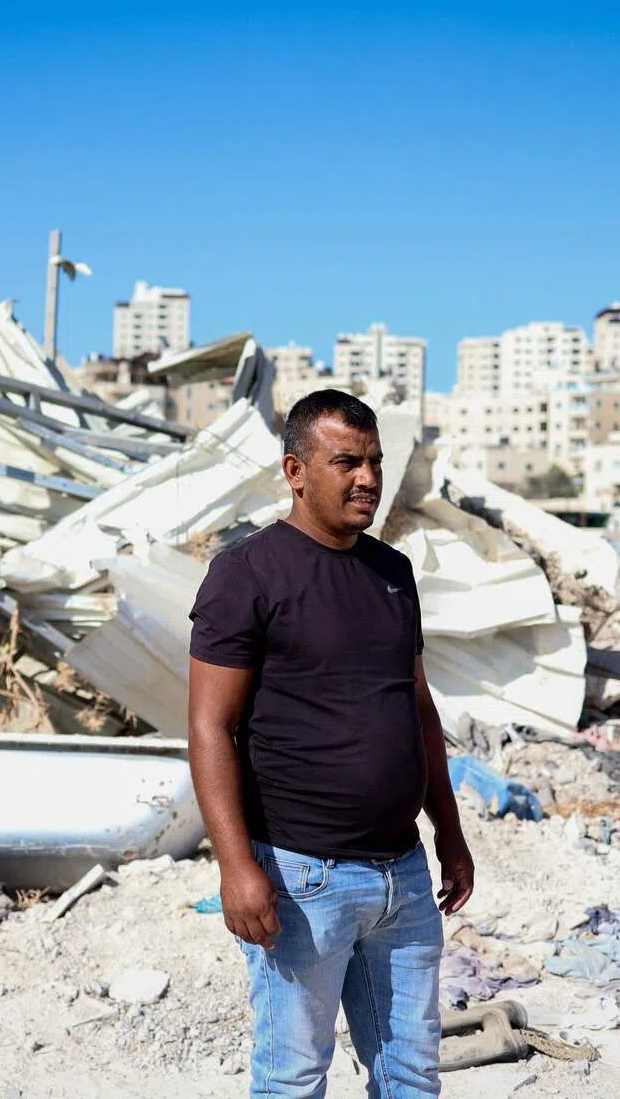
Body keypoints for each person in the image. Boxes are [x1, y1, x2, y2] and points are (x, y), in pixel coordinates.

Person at [187, 389, 475, 1098]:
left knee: (411, 1073)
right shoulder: (246, 573)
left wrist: (451, 831)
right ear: (295, 470)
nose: (368, 478)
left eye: (375, 461)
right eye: (346, 461)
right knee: (293, 1078)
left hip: (402, 877)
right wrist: (235, 866)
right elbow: (208, 727)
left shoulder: (391, 573)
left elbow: (416, 707)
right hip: (300, 875)